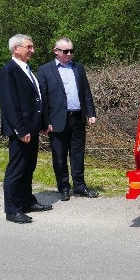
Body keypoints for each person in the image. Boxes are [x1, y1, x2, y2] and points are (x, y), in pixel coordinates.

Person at [0, 34, 53, 224]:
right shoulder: (9, 70)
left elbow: (37, 98)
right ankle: (12, 210)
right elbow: (9, 104)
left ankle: (27, 201)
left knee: (29, 167)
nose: (32, 50)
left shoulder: (27, 69)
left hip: (33, 129)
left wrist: (43, 123)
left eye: (32, 46)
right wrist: (20, 130)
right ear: (16, 48)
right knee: (16, 169)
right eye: (28, 47)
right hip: (21, 131)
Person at [37, 37, 99, 201]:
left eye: (72, 51)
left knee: (78, 154)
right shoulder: (45, 70)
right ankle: (63, 187)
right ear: (56, 51)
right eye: (65, 51)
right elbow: (42, 98)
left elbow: (86, 92)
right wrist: (45, 121)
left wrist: (91, 113)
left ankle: (79, 186)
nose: (69, 54)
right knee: (59, 156)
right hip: (57, 120)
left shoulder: (78, 68)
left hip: (77, 118)